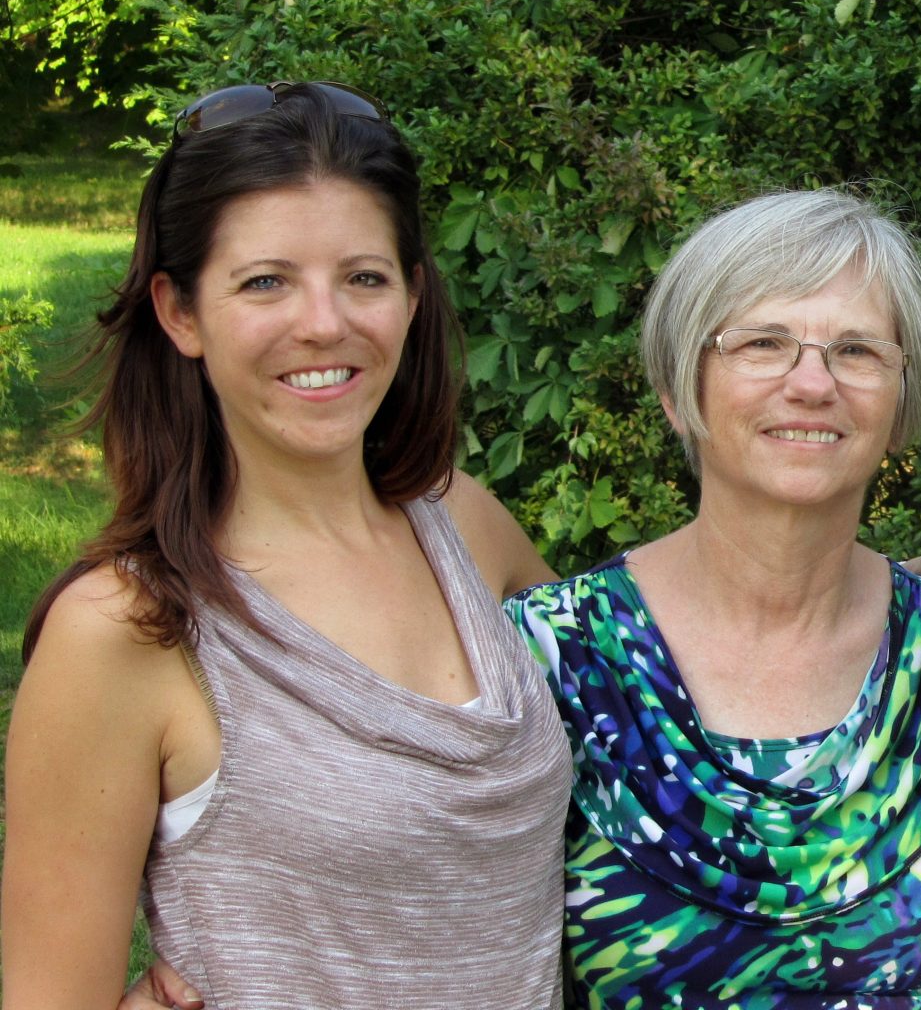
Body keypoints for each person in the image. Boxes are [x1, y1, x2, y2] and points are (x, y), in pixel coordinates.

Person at [2, 82, 572, 1008]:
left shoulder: (464, 525)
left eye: (364, 277)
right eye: (265, 281)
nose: (324, 321)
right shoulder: (127, 631)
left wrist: (881, 598)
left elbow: (663, 698)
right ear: (181, 313)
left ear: (411, 296)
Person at [503, 187, 921, 1009]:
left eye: (857, 351)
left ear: (900, 400)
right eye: (763, 343)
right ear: (678, 388)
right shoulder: (550, 661)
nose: (812, 384)